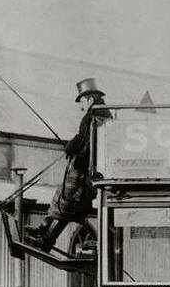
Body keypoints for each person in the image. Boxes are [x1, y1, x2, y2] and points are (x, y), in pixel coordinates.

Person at [25, 78, 111, 252]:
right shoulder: (99, 114)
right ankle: (45, 231)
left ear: (90, 99)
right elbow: (84, 138)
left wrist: (73, 150)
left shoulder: (95, 115)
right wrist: (73, 146)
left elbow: (87, 142)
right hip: (90, 170)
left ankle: (46, 237)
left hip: (88, 172)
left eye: (82, 102)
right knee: (65, 199)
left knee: (66, 199)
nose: (81, 106)